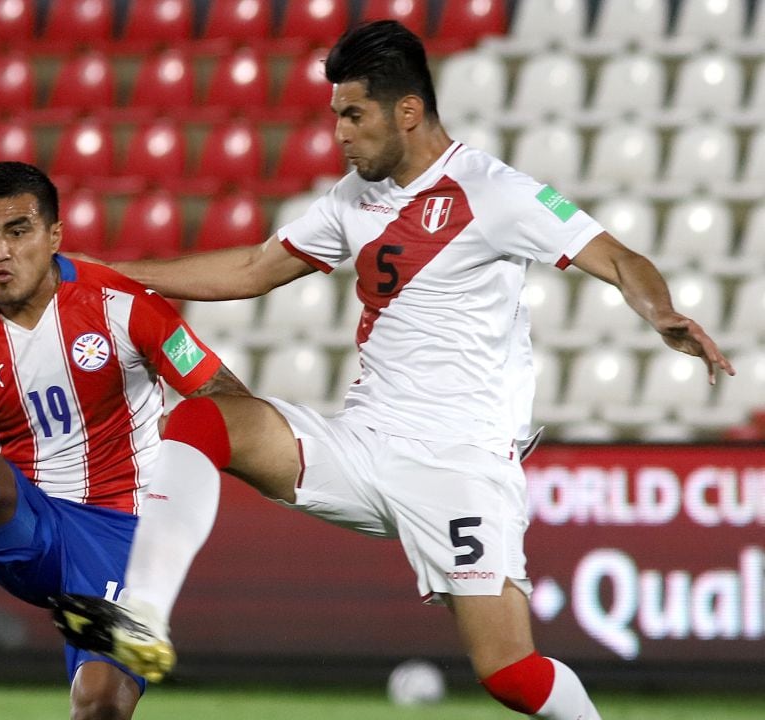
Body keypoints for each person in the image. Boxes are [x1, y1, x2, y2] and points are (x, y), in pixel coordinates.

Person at [50, 21, 735, 720]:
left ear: (407, 111)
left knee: (511, 675)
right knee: (199, 420)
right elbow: (255, 269)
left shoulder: (492, 192)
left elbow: (619, 258)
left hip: (460, 464)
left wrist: (662, 313)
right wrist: (98, 276)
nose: (341, 135)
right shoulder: (354, 199)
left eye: (354, 115)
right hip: (364, 443)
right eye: (336, 117)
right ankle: (143, 616)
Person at [0, 161, 249, 720]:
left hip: (124, 536)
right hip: (28, 527)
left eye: (18, 231)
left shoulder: (123, 306)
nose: (0, 252)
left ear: (54, 235)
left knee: (101, 704)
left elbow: (223, 394)